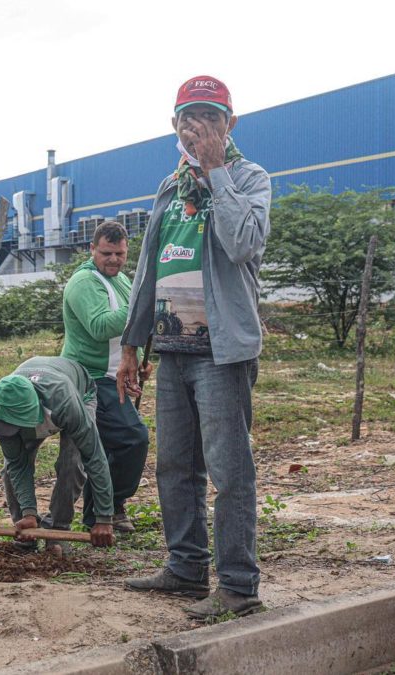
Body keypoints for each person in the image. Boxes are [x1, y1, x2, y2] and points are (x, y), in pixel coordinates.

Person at [117, 75, 271, 620]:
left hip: (220, 353)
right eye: (188, 119)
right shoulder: (168, 187)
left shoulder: (249, 179)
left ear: (230, 126)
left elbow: (243, 243)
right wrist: (132, 346)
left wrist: (217, 173)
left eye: (209, 118)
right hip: (172, 348)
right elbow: (147, 270)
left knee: (230, 471)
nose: (196, 127)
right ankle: (185, 569)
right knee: (175, 466)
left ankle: (238, 587)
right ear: (174, 126)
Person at [60, 220, 150, 534]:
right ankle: (110, 506)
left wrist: (138, 362)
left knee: (113, 444)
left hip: (118, 375)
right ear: (92, 250)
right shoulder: (83, 282)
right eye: (107, 253)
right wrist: (144, 305)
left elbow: (131, 331)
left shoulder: (123, 280)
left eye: (120, 254)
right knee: (132, 438)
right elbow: (100, 326)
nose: (114, 260)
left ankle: (105, 510)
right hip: (92, 377)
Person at [0, 356, 115, 555]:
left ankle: (58, 529)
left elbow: (94, 456)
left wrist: (104, 518)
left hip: (80, 392)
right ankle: (26, 528)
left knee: (71, 462)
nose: (9, 433)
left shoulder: (66, 404)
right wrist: (28, 513)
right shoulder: (1, 411)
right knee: (10, 470)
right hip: (37, 394)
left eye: (14, 427)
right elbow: (18, 465)